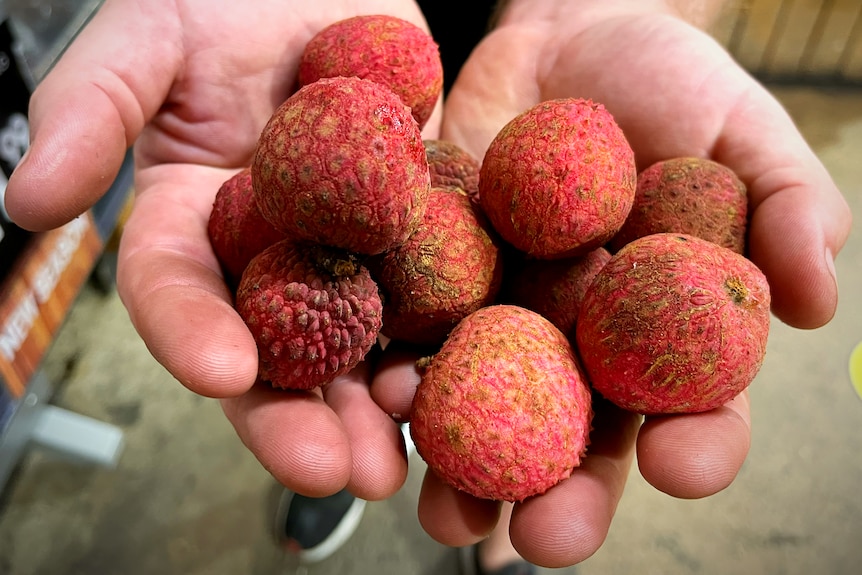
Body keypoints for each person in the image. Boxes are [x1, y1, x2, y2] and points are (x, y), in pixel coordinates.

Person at [4, 0, 852, 573]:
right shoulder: (345, 195)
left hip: (535, 33)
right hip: (362, 153)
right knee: (338, 416)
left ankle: (494, 546)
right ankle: (331, 478)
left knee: (497, 492)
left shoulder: (589, 257)